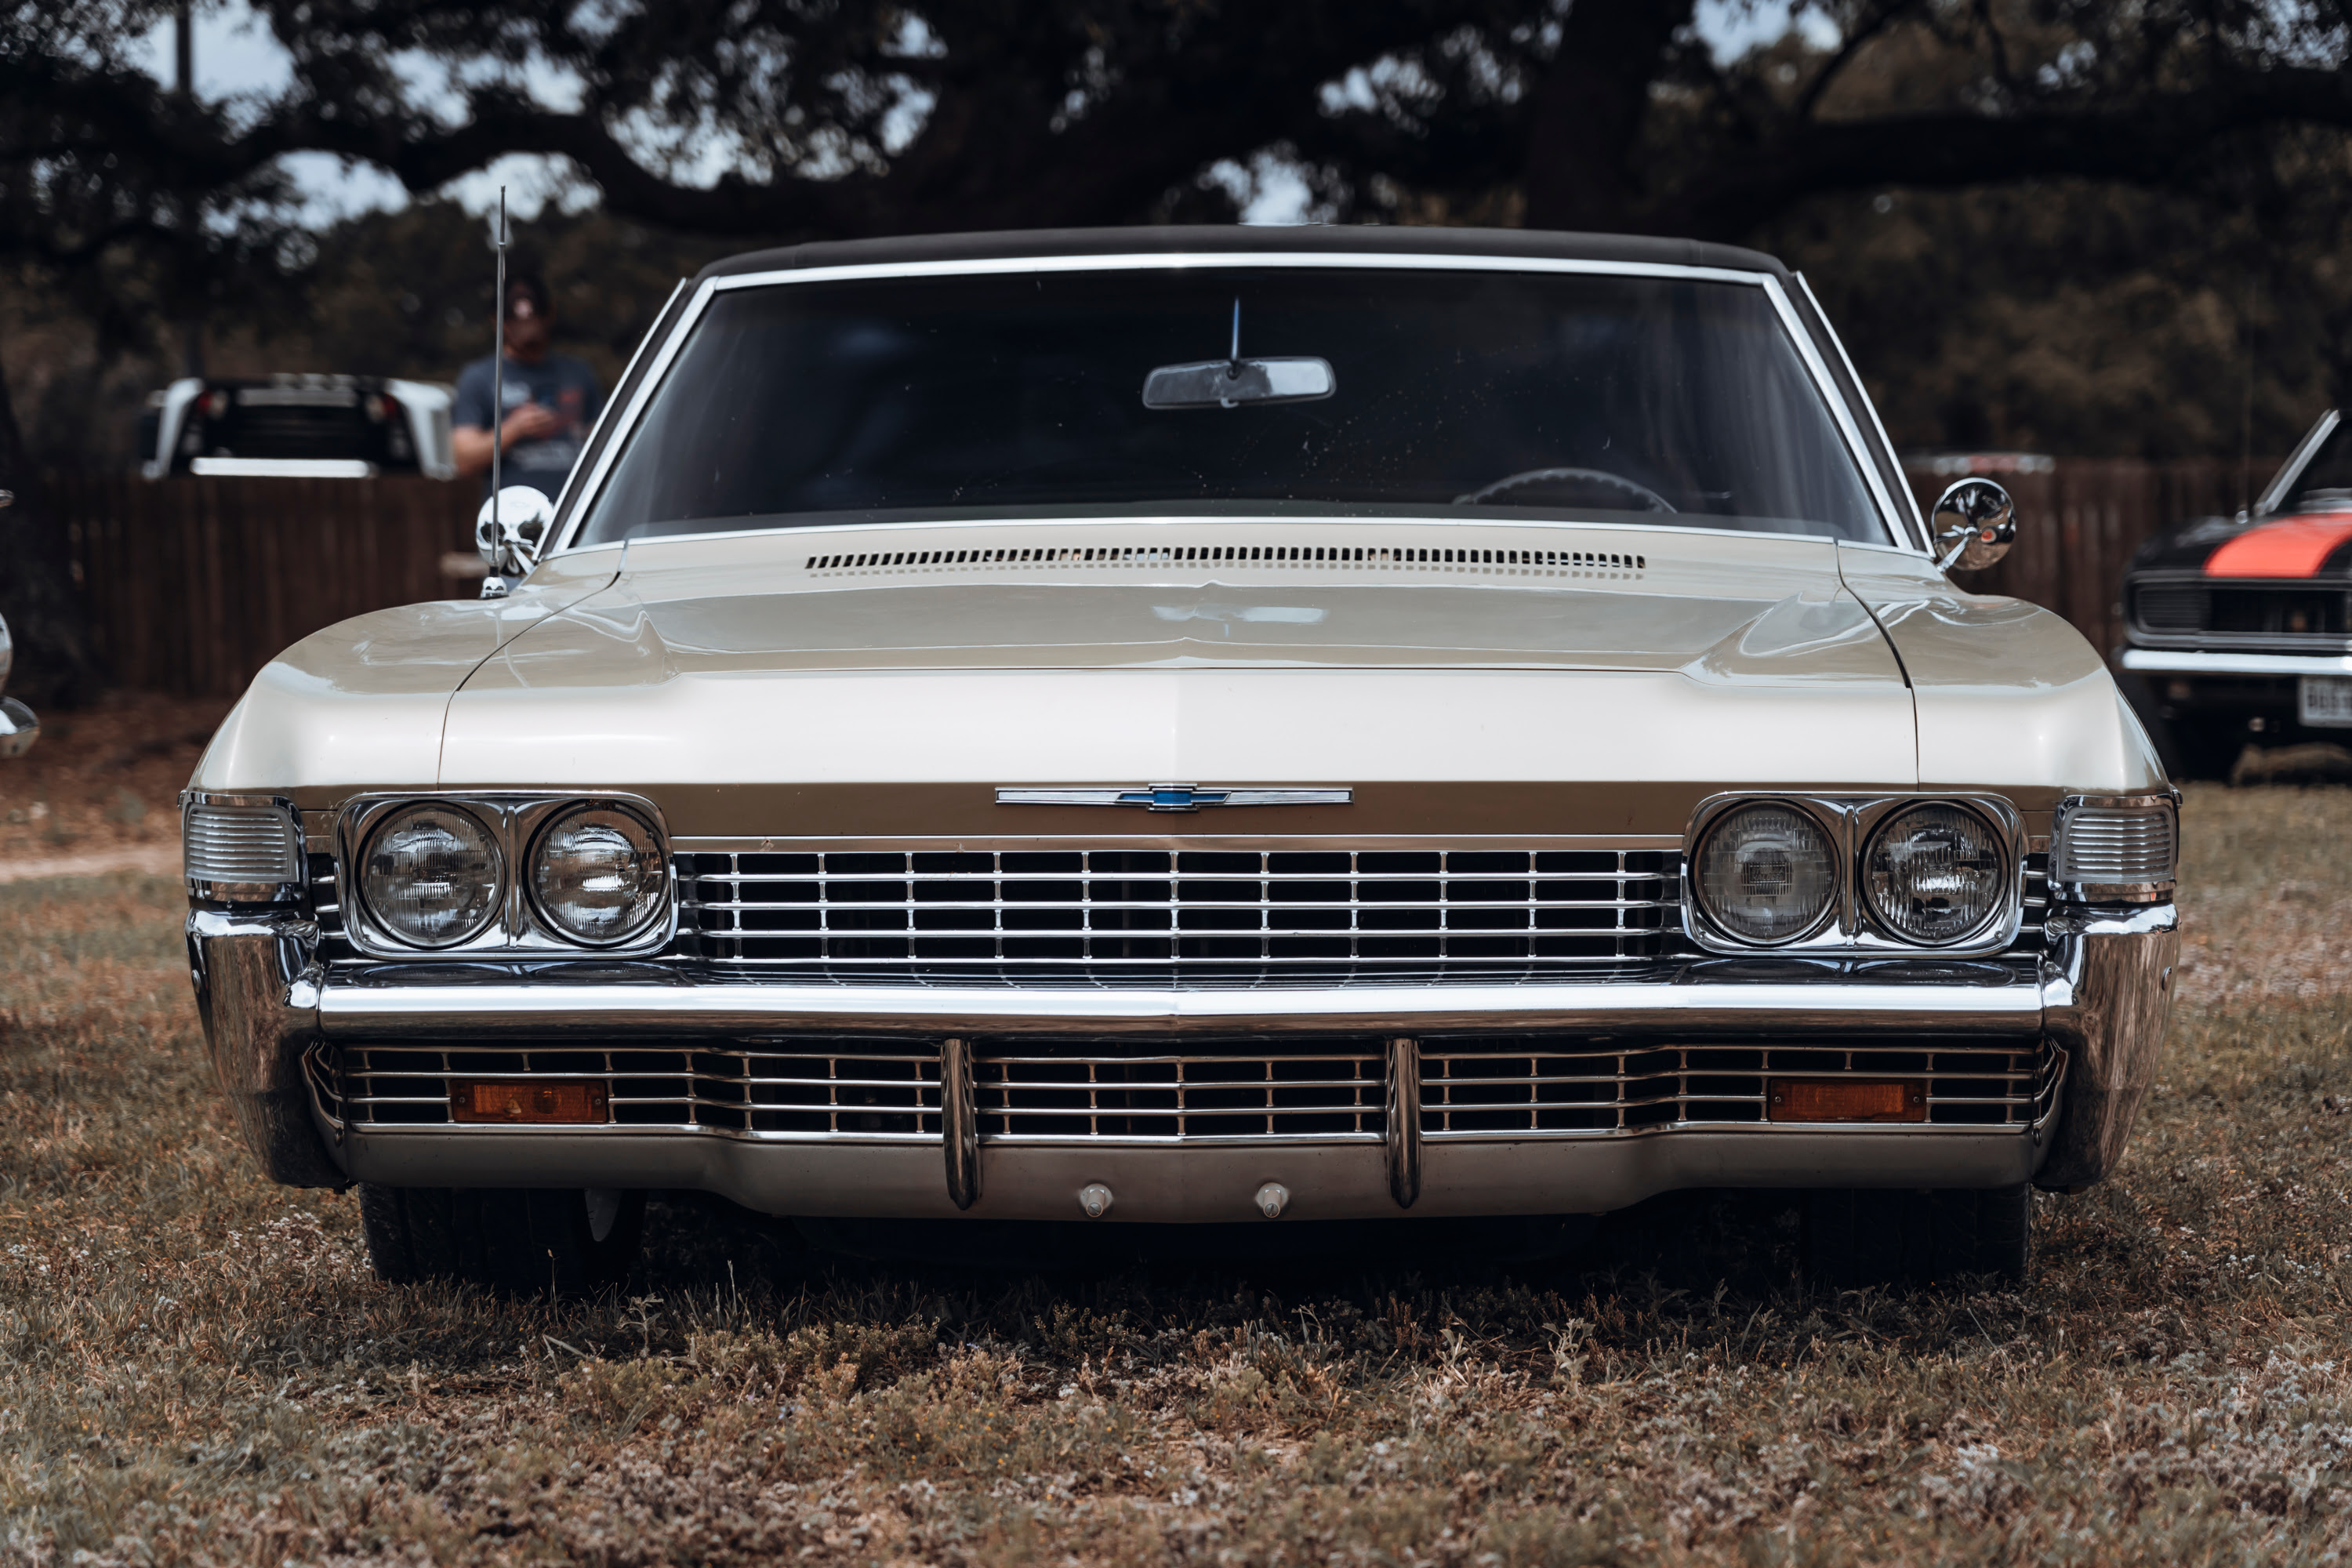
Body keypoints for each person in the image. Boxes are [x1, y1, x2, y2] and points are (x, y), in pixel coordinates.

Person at [452, 274, 604, 499]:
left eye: (533, 320)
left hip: (577, 512)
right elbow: (464, 460)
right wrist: (515, 428)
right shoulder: (479, 377)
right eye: (516, 322)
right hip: (516, 517)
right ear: (497, 321)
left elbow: (603, 441)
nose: (527, 330)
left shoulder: (579, 372)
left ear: (549, 315)